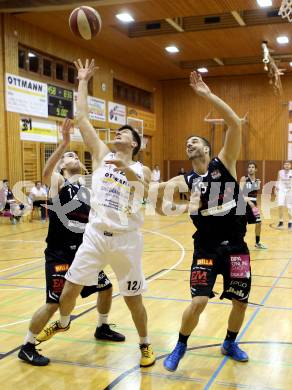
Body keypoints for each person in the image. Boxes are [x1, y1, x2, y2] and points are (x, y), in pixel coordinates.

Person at [39, 59, 155, 368]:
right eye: (116, 131)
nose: (118, 133)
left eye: (124, 133)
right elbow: (81, 118)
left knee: (133, 300)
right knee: (69, 289)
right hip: (94, 235)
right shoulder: (103, 155)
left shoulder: (141, 167)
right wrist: (82, 80)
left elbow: (142, 187)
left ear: (135, 143)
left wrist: (126, 168)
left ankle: (145, 344)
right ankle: (64, 322)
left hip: (127, 240)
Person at [158, 71, 250, 372]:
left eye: (194, 141)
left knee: (240, 302)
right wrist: (168, 205)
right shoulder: (184, 180)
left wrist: (207, 96)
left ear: (207, 149)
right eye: (186, 143)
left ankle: (229, 342)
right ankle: (180, 345)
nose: (189, 144)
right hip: (206, 249)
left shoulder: (224, 163)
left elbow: (235, 124)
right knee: (198, 302)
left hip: (236, 246)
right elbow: (157, 200)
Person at [18, 118, 125, 367]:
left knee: (106, 288)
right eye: (68, 156)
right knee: (54, 302)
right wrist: (63, 144)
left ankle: (102, 327)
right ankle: (27, 345)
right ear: (63, 165)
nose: (73, 157)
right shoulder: (58, 182)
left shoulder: (89, 187)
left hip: (84, 253)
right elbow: (46, 172)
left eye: (75, 155)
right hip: (59, 254)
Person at [240, 162, 267, 249]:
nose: (251, 168)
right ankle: (238, 243)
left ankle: (257, 242)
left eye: (252, 167)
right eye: (249, 167)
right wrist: (249, 202)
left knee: (259, 222)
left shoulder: (258, 181)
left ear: (256, 169)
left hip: (253, 205)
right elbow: (240, 194)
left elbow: (255, 196)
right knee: (241, 226)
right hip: (244, 204)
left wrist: (256, 205)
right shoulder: (244, 179)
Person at [275, 161, 292, 229]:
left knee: (290, 207)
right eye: (285, 164)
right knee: (280, 205)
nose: (286, 165)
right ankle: (281, 221)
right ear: (283, 165)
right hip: (281, 190)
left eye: (288, 164)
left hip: (290, 191)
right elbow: (278, 180)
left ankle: (290, 222)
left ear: (290, 166)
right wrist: (276, 187)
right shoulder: (280, 172)